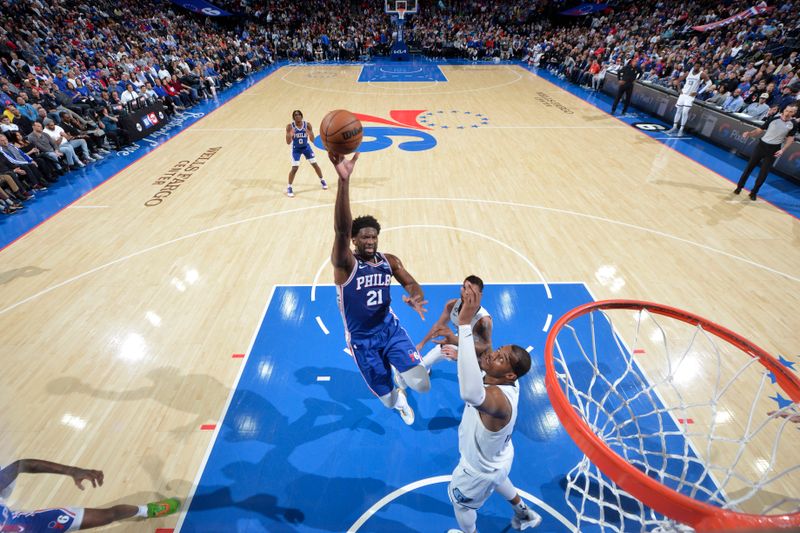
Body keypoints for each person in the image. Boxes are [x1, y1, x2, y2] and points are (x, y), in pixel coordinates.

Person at [329, 151, 430, 425]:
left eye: (374, 236)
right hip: (363, 341)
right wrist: (343, 182)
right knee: (387, 400)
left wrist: (415, 296)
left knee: (422, 385)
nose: (370, 241)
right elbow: (340, 229)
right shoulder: (346, 265)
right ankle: (399, 400)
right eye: (364, 237)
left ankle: (401, 372)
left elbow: (411, 283)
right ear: (354, 240)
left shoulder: (389, 261)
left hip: (389, 330)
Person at [446, 281, 541, 533]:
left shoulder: (498, 401)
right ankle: (525, 513)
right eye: (499, 349)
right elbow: (480, 369)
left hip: (477, 471)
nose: (493, 354)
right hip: (499, 458)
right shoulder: (509, 381)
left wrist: (464, 326)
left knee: (462, 506)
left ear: (510, 375)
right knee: (499, 477)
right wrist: (464, 356)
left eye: (501, 358)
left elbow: (470, 392)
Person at [0, 458, 179, 530]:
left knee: (108, 515)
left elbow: (20, 465)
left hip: (26, 523)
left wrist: (72, 470)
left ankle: (146, 510)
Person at [416, 275, 493, 372]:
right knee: (423, 364)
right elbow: (438, 326)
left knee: (479, 383)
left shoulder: (484, 320)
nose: (466, 292)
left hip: (476, 353)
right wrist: (422, 344)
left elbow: (486, 346)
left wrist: (460, 356)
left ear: (479, 295)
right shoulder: (452, 305)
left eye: (471, 291)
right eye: (464, 287)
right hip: (458, 340)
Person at [734, 104, 797, 201]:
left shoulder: (793, 124)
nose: (788, 113)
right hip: (761, 146)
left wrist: (782, 150)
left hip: (774, 150)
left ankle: (754, 192)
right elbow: (760, 130)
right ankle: (739, 187)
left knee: (763, 173)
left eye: (791, 112)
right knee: (749, 168)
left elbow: (790, 139)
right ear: (784, 110)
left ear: (794, 113)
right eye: (787, 111)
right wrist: (749, 133)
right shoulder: (773, 119)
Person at [285, 110, 326, 198]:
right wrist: (290, 134)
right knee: (295, 168)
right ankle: (289, 187)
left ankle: (322, 180)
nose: (297, 116)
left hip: (306, 148)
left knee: (315, 164)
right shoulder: (290, 126)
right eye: (296, 115)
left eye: (299, 115)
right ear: (293, 117)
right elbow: (288, 142)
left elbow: (312, 140)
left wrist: (309, 133)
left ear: (302, 116)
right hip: (296, 149)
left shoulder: (307, 125)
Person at [667, 63, 709, 136]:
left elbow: (709, 83)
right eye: (695, 66)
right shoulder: (688, 73)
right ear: (693, 66)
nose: (696, 67)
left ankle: (681, 130)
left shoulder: (702, 74)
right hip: (683, 94)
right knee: (678, 110)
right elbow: (678, 81)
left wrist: (698, 92)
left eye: (698, 66)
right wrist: (679, 89)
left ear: (700, 67)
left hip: (690, 96)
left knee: (685, 112)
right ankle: (674, 127)